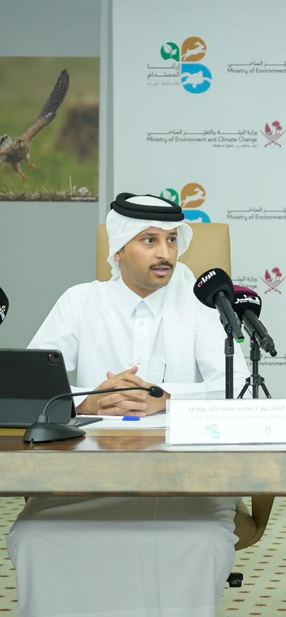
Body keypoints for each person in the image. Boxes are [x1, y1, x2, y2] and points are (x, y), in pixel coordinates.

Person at [7, 193, 250, 617]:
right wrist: (89, 399)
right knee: (34, 537)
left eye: (172, 241)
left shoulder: (202, 305)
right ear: (119, 249)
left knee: (200, 541)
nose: (166, 254)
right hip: (87, 479)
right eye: (150, 241)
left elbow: (240, 387)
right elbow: (31, 389)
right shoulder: (80, 301)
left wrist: (167, 400)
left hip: (185, 480)